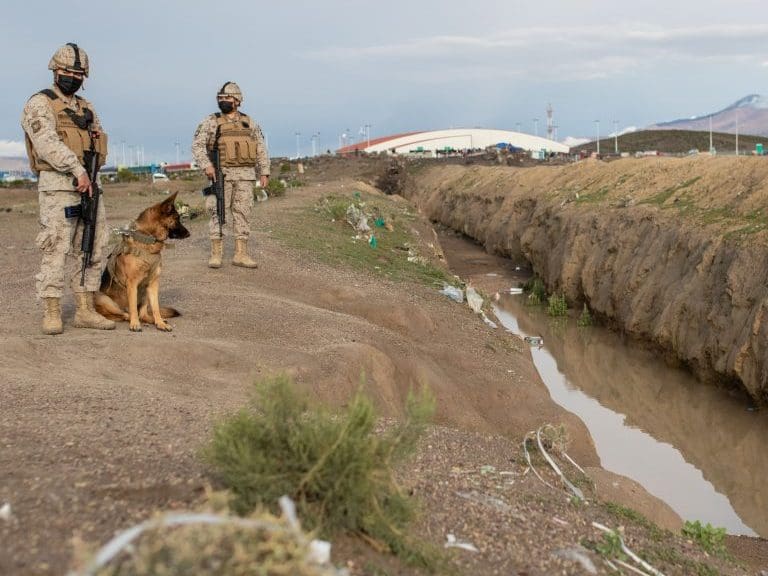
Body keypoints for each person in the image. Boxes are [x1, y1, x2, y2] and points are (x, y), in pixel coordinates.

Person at [21, 43, 114, 335]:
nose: (73, 77)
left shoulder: (86, 108)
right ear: (55, 71)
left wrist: (91, 164)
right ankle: (51, 311)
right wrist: (76, 169)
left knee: (92, 246)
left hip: (90, 186)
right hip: (59, 187)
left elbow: (98, 142)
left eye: (78, 73)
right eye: (67, 72)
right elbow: (46, 144)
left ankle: (85, 310)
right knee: (56, 248)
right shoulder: (39, 104)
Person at [192, 81, 270, 269]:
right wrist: (206, 166)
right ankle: (216, 254)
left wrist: (264, 171)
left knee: (243, 213)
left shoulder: (249, 122)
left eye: (227, 98)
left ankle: (240, 254)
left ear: (237, 100)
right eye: (220, 98)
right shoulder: (211, 121)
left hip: (245, 176)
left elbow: (260, 147)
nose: (223, 101)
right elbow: (197, 145)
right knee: (217, 211)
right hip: (221, 175)